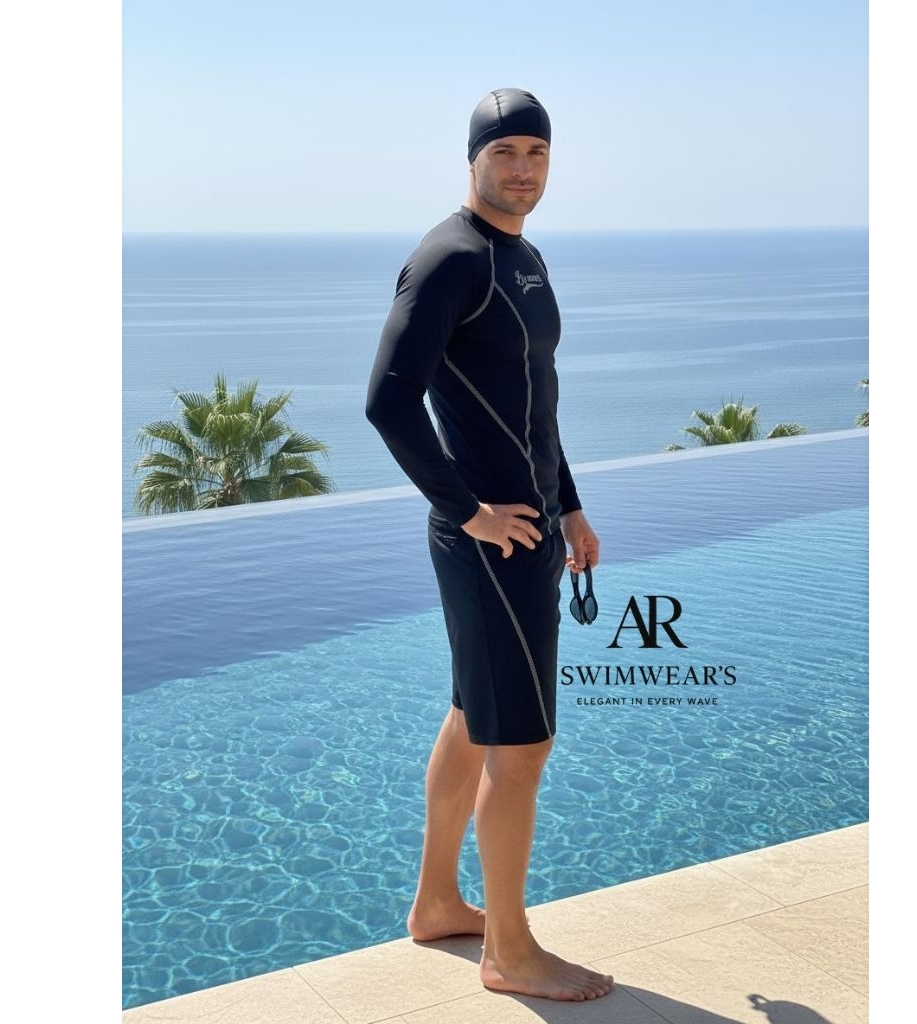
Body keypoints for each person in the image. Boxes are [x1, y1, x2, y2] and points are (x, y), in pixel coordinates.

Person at [365, 88, 613, 1002]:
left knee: (474, 718)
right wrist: (470, 512)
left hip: (533, 529)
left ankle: (437, 902)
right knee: (522, 747)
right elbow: (389, 402)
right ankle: (508, 951)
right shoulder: (450, 260)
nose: (522, 169)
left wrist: (570, 505)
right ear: (472, 159)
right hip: (493, 545)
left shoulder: (523, 257)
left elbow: (533, 401)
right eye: (504, 152)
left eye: (536, 154)